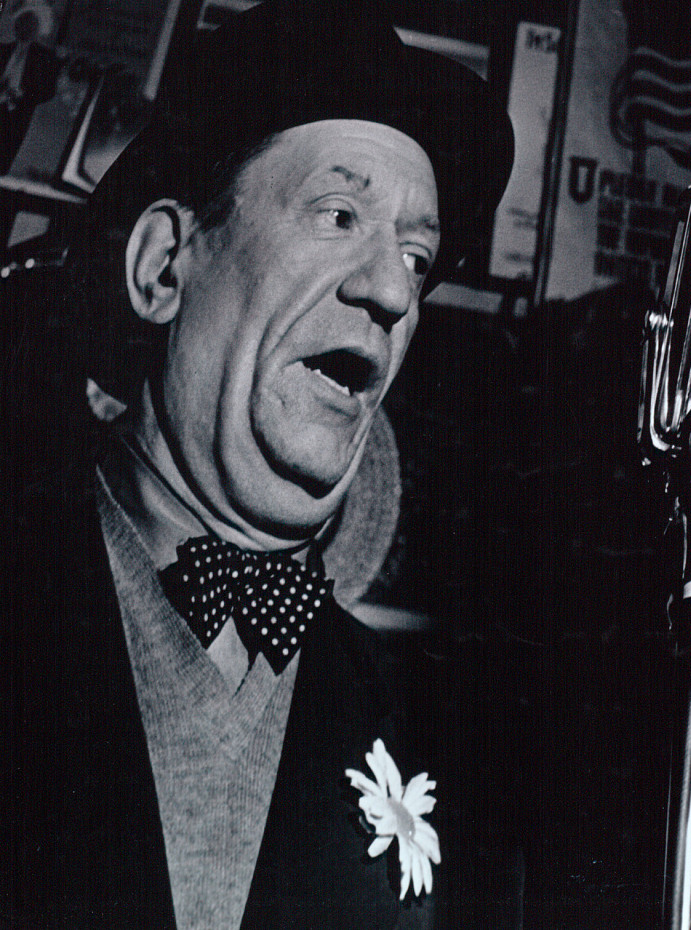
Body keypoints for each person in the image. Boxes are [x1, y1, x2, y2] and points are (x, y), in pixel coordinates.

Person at [1, 1, 513, 927]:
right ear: (164, 267)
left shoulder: (437, 728)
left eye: (417, 253)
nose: (395, 288)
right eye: (340, 212)